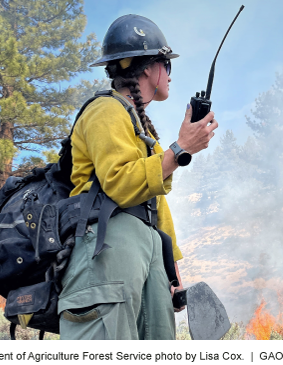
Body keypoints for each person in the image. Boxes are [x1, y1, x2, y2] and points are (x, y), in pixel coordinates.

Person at [56, 14, 218, 340]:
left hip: (146, 256)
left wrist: (172, 272)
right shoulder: (105, 110)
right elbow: (119, 182)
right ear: (148, 68)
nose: (170, 75)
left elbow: (155, 207)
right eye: (166, 66)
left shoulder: (142, 131)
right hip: (107, 250)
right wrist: (180, 149)